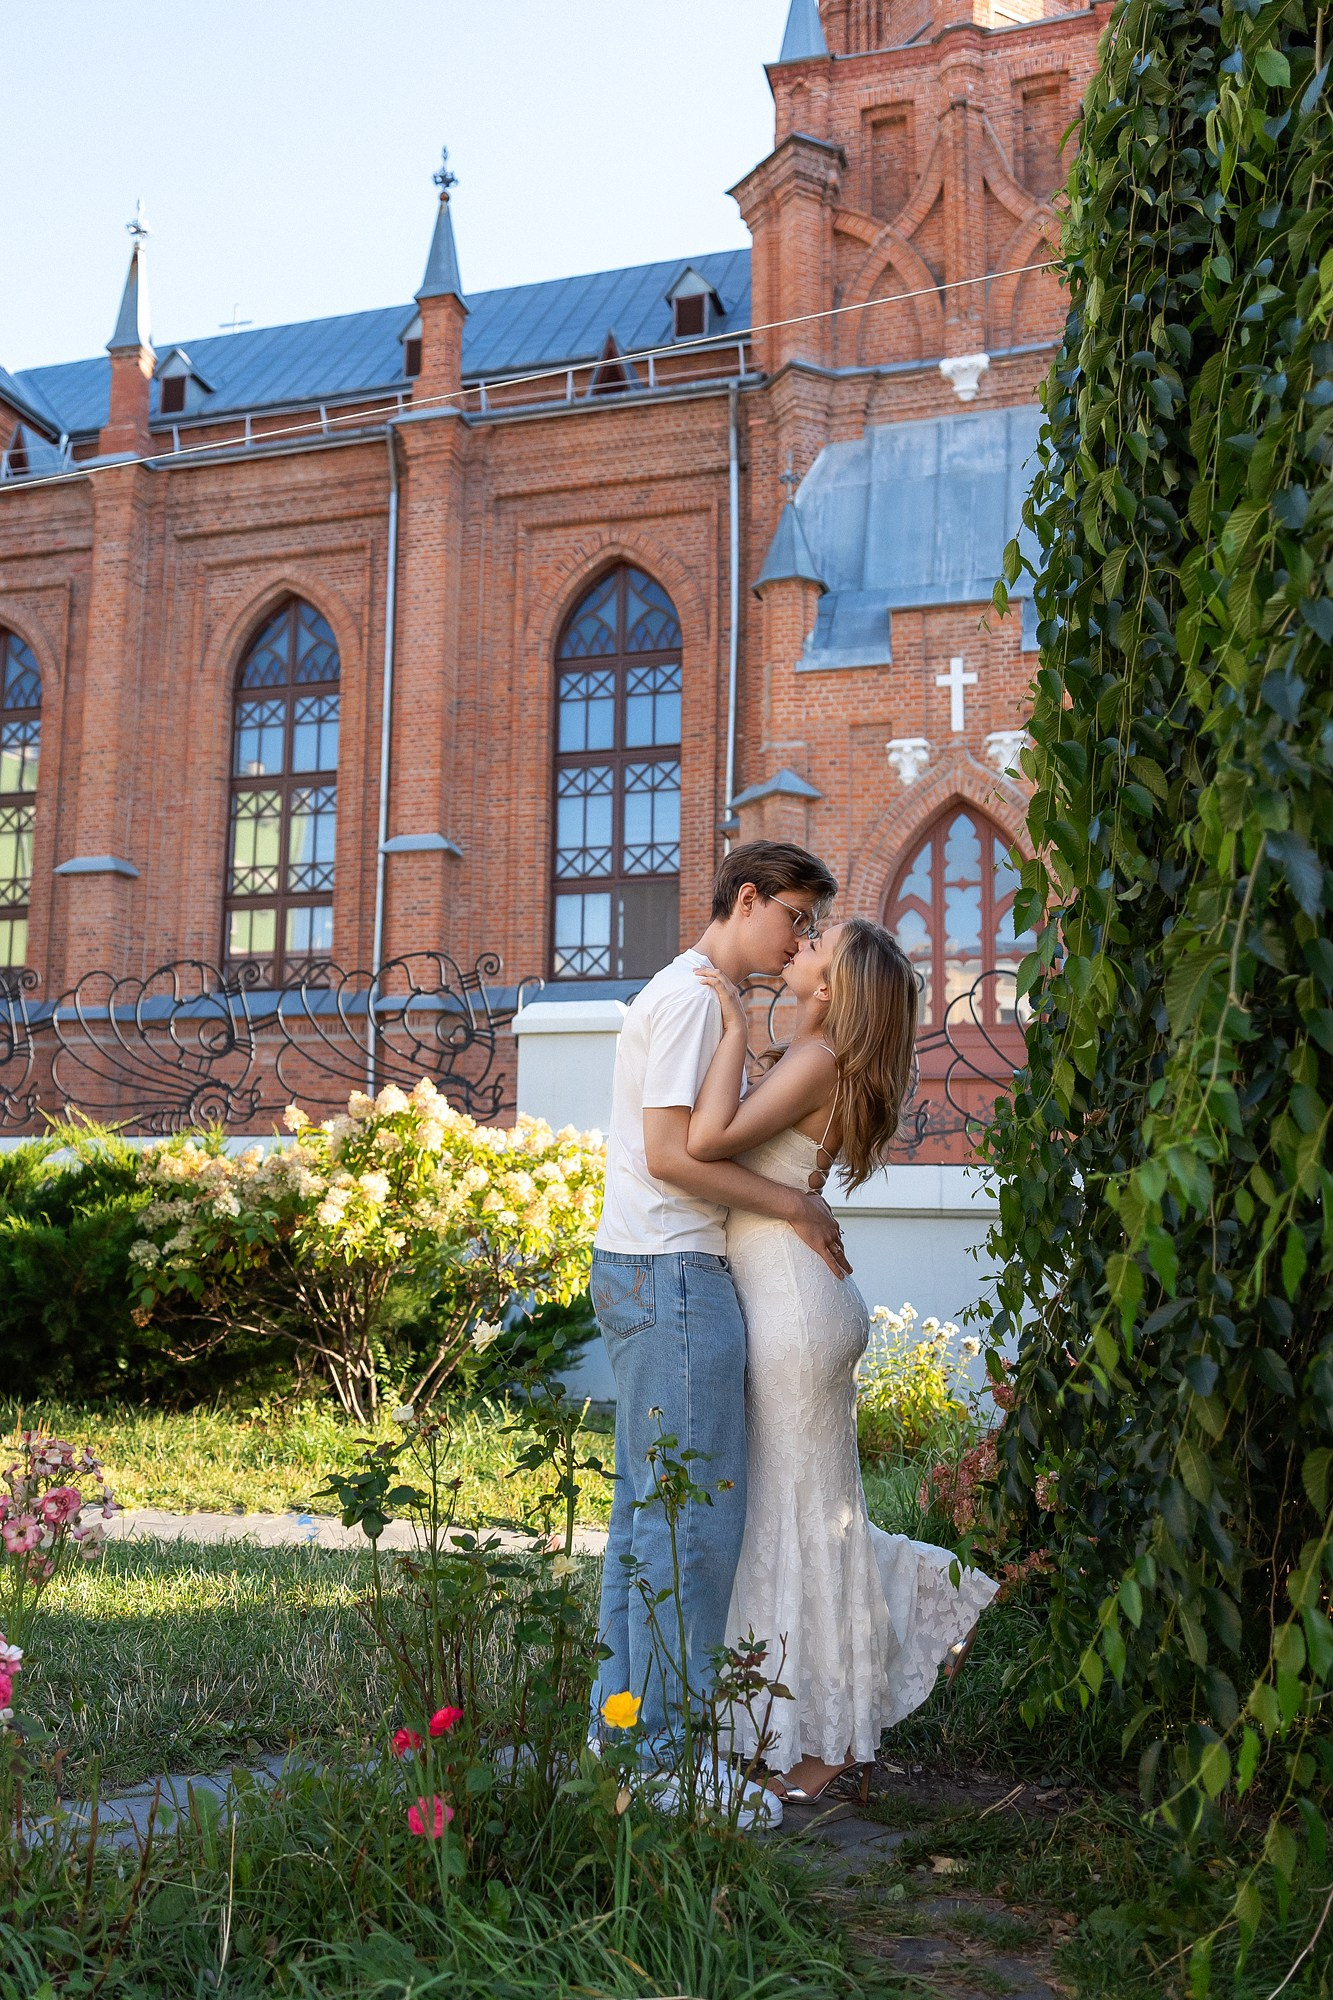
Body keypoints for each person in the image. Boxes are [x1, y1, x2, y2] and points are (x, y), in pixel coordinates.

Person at [687, 916, 998, 1802]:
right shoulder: (823, 1058)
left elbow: (706, 1147)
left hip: (793, 1305)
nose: (800, 944)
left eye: (817, 941)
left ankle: (822, 1744)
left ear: (832, 987)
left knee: (793, 1521)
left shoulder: (816, 1056)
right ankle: (805, 1721)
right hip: (799, 1297)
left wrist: (737, 1030)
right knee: (804, 1516)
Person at [588, 840, 845, 1824]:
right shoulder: (695, 996)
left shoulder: (692, 992)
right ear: (747, 897)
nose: (800, 939)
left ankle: (619, 1738)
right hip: (675, 1276)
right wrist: (793, 1204)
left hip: (643, 1269)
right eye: (794, 917)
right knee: (690, 1526)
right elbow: (673, 1154)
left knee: (644, 1517)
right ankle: (663, 1763)